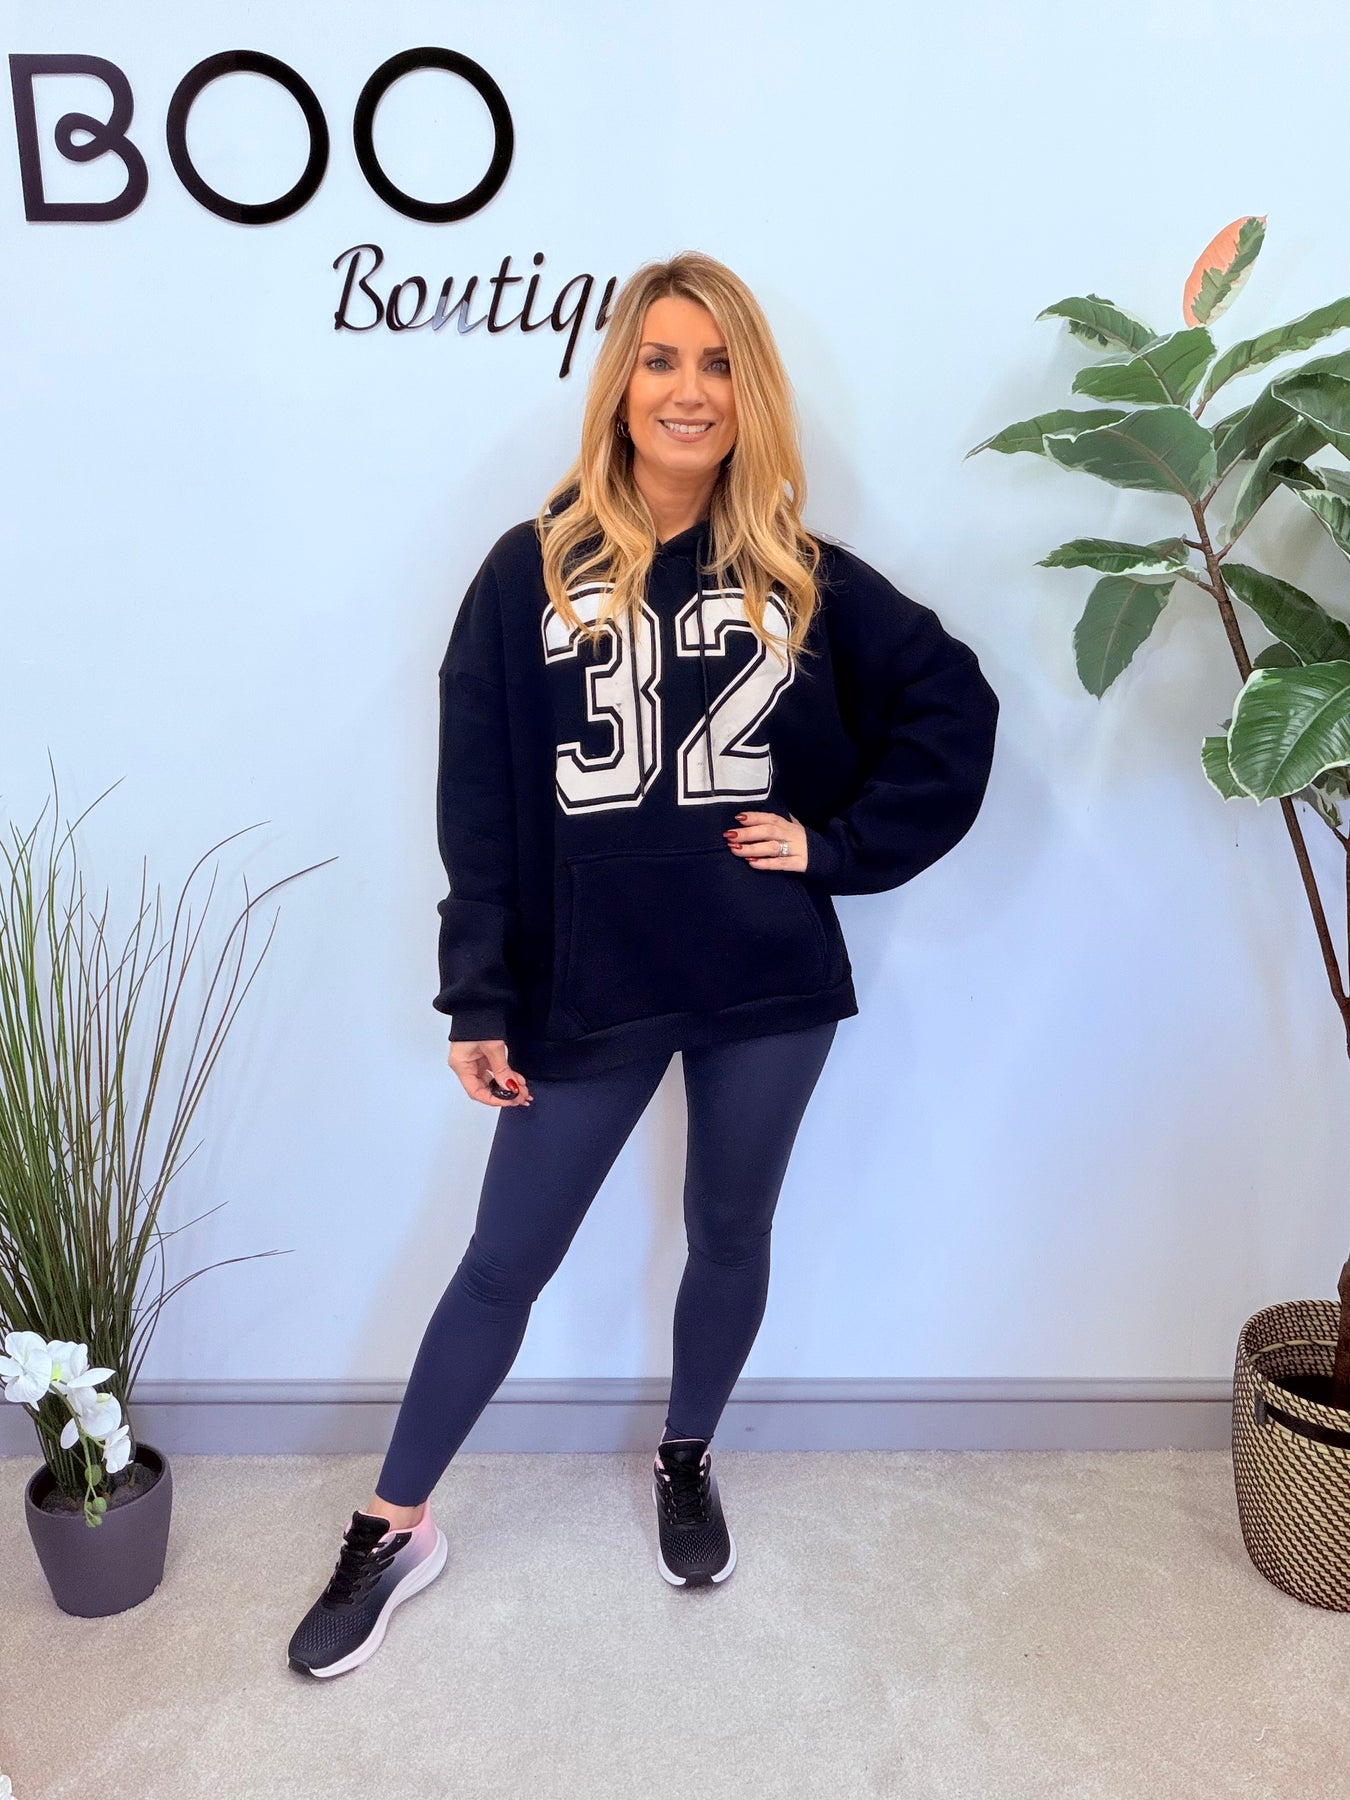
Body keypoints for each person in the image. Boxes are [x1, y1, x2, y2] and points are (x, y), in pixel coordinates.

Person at [287, 250, 1000, 1678]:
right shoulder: (529, 570)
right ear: (619, 385)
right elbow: (478, 805)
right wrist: (478, 993)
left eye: (719, 364)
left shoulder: (799, 574)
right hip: (587, 982)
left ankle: (686, 1454)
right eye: (661, 360)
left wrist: (836, 847)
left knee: (730, 1232)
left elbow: (952, 703)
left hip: (764, 978)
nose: (689, 390)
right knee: (503, 1261)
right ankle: (395, 1522)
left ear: (752, 394)